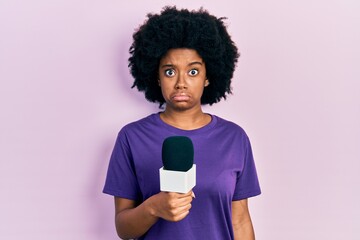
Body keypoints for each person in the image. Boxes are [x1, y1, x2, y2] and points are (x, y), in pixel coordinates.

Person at [103, 6, 261, 240]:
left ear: (208, 77)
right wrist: (154, 207)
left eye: (193, 71)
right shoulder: (132, 137)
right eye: (169, 72)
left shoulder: (234, 138)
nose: (180, 83)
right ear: (156, 76)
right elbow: (123, 229)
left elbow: (239, 220)